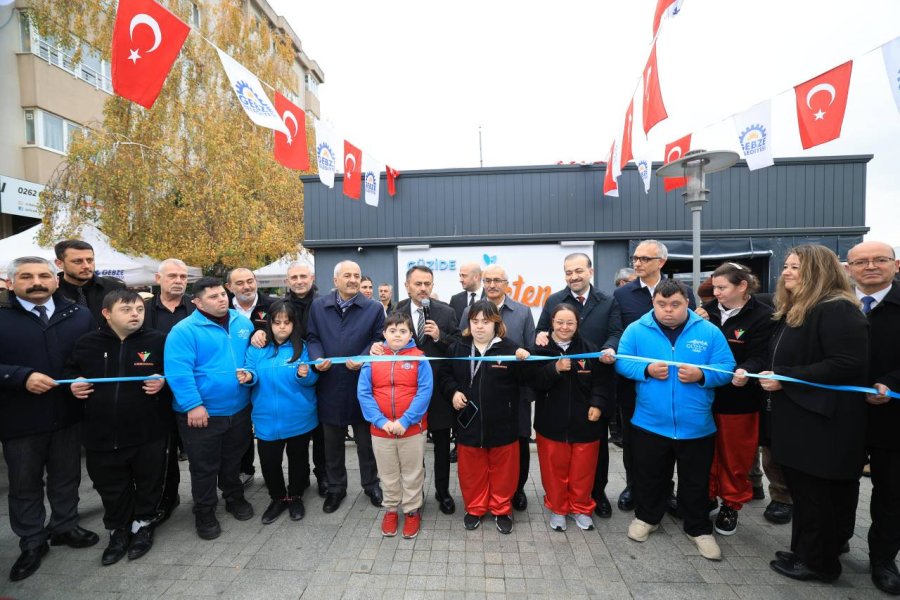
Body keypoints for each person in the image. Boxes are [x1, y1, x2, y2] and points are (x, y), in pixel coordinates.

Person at [760, 244, 869, 582]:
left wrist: (786, 377)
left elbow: (847, 363)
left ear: (818, 272)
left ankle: (819, 563)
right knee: (805, 493)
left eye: (795, 267)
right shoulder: (801, 308)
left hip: (823, 423)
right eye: (787, 266)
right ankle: (805, 550)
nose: (786, 272)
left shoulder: (836, 309)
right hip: (802, 418)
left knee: (818, 495)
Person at [615, 279, 735, 561]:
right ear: (653, 303)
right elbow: (621, 361)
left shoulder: (708, 332)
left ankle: (698, 528)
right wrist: (645, 370)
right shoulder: (637, 330)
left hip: (696, 426)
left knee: (695, 481)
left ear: (687, 303)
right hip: (649, 423)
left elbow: (727, 367)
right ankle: (647, 518)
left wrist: (702, 375)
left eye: (675, 304)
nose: (668, 310)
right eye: (661, 304)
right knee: (650, 476)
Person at [0, 256, 99, 582]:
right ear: (11, 283)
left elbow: (92, 355)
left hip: (68, 414)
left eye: (43, 275)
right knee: (24, 483)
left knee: (67, 476)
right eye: (26, 277)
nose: (37, 282)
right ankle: (32, 541)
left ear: (56, 280)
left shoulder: (79, 315)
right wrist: (20, 377)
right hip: (20, 418)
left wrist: (85, 376)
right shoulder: (3, 317)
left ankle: (65, 526)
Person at [66, 290, 170, 566]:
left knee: (149, 481)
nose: (135, 314)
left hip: (148, 430)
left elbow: (176, 373)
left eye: (139, 309)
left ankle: (143, 524)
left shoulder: (158, 341)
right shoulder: (86, 344)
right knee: (111, 485)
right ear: (107, 313)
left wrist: (163, 380)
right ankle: (118, 529)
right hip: (101, 432)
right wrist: (73, 383)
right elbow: (68, 373)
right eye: (126, 309)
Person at [164, 277, 255, 540]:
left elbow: (252, 358)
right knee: (204, 466)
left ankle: (233, 496)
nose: (221, 300)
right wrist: (193, 405)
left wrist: (251, 375)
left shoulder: (242, 323)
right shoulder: (184, 331)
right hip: (202, 413)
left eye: (223, 294)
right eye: (213, 297)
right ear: (197, 302)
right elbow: (178, 371)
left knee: (232, 460)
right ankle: (204, 511)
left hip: (238, 409)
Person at [534, 252, 621, 518]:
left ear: (590, 272)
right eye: (569, 272)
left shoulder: (607, 301)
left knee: (596, 447)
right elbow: (541, 331)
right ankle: (560, 501)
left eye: (579, 271)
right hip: (559, 385)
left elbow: (616, 332)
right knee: (560, 451)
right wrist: (540, 335)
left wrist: (610, 348)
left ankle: (597, 494)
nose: (574, 276)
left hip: (594, 381)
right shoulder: (554, 300)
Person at [613, 240, 696, 512]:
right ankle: (633, 486)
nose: (637, 263)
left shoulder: (683, 292)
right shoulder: (622, 295)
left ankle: (666, 490)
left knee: (668, 441)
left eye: (644, 259)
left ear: (661, 262)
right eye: (635, 258)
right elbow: (617, 333)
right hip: (635, 381)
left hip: (674, 384)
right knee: (632, 438)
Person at [441, 301, 531, 534]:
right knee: (471, 470)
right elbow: (445, 375)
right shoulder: (458, 348)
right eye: (475, 321)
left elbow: (528, 382)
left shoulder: (511, 349)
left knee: (504, 471)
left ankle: (501, 509)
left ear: (496, 323)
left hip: (503, 424)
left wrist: (525, 361)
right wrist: (453, 392)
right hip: (468, 422)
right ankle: (475, 508)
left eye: (485, 321)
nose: (479, 326)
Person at [701, 262, 776, 537]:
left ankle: (731, 504)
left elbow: (762, 354)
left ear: (742, 286)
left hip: (739, 400)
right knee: (705, 453)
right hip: (705, 396)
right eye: (714, 287)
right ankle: (708, 496)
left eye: (722, 288)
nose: (716, 293)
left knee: (735, 456)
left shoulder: (763, 316)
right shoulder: (705, 312)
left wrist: (747, 370)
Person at [380, 266, 460, 515]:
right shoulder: (397, 311)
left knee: (441, 447)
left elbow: (459, 346)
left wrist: (440, 336)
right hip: (408, 394)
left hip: (438, 392)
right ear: (407, 286)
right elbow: (387, 343)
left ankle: (442, 492)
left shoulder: (446, 312)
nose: (423, 288)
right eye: (418, 284)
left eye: (427, 283)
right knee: (413, 449)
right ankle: (414, 493)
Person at [306, 260, 385, 513]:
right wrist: (317, 358)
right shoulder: (319, 306)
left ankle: (371, 484)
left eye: (356, 276)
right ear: (335, 280)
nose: (353, 280)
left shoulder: (373, 308)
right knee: (332, 444)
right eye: (347, 275)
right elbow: (312, 337)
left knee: (366, 442)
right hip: (329, 383)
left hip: (362, 384)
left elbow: (379, 339)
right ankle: (336, 488)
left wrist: (364, 357)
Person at [530, 303, 614, 532]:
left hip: (586, 424)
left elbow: (602, 381)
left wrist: (597, 404)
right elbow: (533, 381)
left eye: (570, 322)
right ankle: (558, 508)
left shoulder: (589, 348)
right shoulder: (540, 349)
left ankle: (581, 508)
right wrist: (554, 369)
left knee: (583, 471)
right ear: (552, 323)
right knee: (553, 470)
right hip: (551, 423)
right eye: (559, 322)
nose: (564, 327)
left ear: (577, 324)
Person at [846, 241, 900, 594]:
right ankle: (833, 541)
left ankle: (883, 558)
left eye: (879, 260)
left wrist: (892, 383)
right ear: (848, 269)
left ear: (896, 265)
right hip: (840, 415)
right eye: (861, 262)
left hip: (891, 417)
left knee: (891, 492)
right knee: (836, 483)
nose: (870, 267)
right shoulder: (834, 304)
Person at [460, 265, 536, 512]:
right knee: (479, 456)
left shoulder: (523, 312)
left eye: (497, 280)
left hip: (513, 397)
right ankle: (480, 502)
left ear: (506, 283)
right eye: (487, 280)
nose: (491, 284)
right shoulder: (468, 311)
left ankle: (516, 492)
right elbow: (461, 348)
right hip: (476, 402)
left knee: (516, 447)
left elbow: (530, 350)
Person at [239, 301, 319, 525]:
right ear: (269, 324)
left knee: (298, 460)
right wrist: (248, 377)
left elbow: (313, 379)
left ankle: (295, 496)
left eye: (287, 322)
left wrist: (305, 375)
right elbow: (251, 371)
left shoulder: (302, 348)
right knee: (269, 461)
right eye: (277, 322)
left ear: (294, 324)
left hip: (298, 417)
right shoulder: (257, 349)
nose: (282, 327)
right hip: (266, 418)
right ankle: (277, 498)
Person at [358, 312, 433, 539]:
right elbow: (364, 393)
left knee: (412, 472)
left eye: (403, 331)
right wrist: (381, 422)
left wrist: (405, 421)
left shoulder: (420, 358)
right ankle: (391, 509)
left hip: (411, 430)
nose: (397, 335)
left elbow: (424, 392)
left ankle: (411, 510)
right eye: (392, 330)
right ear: (384, 333)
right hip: (381, 431)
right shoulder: (373, 358)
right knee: (387, 472)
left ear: (411, 334)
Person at [143, 258, 195, 523]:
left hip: (193, 389)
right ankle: (168, 497)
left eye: (183, 276)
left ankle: (206, 495)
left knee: (199, 449)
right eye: (173, 276)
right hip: (155, 391)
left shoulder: (197, 307)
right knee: (165, 449)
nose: (178, 281)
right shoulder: (142, 310)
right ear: (158, 279)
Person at [225, 267, 274, 488]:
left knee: (264, 423)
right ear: (229, 287)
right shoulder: (221, 307)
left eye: (250, 281)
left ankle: (270, 471)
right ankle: (244, 470)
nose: (246, 286)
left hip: (265, 376)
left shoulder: (272, 305)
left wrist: (264, 333)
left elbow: (285, 330)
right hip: (235, 378)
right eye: (240, 283)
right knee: (240, 428)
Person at [54, 239, 125, 325]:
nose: (86, 266)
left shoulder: (114, 288)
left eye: (90, 260)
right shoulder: (51, 291)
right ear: (59, 263)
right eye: (78, 261)